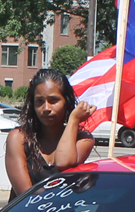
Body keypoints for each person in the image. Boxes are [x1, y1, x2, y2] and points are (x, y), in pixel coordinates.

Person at [5, 69, 96, 200]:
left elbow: (63, 163)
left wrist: (73, 120)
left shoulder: (83, 139)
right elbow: (25, 196)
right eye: (39, 101)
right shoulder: (18, 138)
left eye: (53, 100)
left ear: (67, 101)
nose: (46, 108)